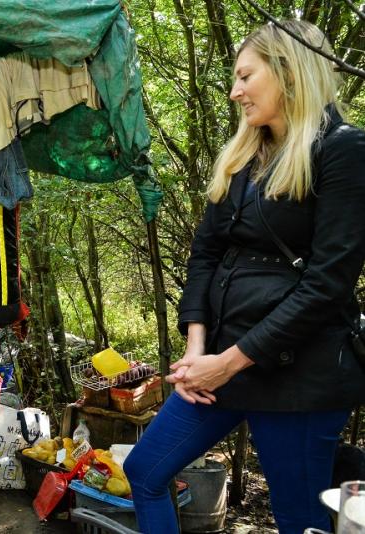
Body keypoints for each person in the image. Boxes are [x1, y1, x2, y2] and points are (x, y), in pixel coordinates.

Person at [124, 20, 365, 534]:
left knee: (300, 520)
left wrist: (227, 364)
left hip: (301, 374)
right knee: (144, 471)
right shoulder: (244, 156)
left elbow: (328, 283)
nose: (235, 92)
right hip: (222, 361)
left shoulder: (344, 150)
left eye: (245, 76)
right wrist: (196, 348)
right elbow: (206, 252)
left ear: (288, 72)